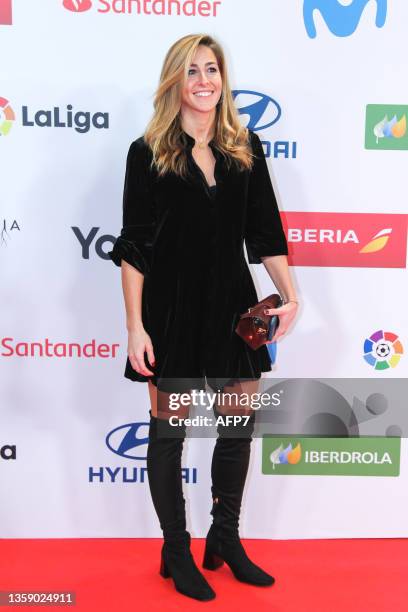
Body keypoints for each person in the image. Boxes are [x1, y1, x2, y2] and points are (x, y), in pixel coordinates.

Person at [109, 33, 299, 602]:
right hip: (172, 312)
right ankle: (175, 548)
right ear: (175, 81)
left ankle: (226, 538)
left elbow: (265, 232)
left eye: (211, 69)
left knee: (238, 429)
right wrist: (135, 326)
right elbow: (135, 248)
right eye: (191, 71)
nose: (204, 81)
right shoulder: (148, 152)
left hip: (236, 310)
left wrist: (291, 296)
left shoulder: (247, 147)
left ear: (223, 76)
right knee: (169, 437)